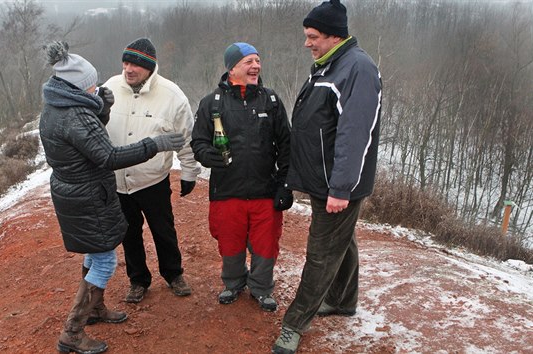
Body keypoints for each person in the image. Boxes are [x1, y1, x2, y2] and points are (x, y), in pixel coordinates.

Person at [39, 41, 185, 354]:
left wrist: (99, 110)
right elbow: (107, 156)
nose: (96, 86)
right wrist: (155, 144)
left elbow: (86, 145)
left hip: (74, 192)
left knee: (95, 252)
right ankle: (72, 333)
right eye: (90, 84)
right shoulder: (75, 116)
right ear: (77, 86)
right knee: (105, 260)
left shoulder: (56, 106)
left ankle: (94, 309)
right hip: (89, 194)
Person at [271, 1, 382, 353]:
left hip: (338, 183)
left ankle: (294, 323)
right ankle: (344, 300)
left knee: (321, 253)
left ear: (334, 35)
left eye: (313, 36)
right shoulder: (329, 65)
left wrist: (341, 187)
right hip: (325, 179)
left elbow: (354, 133)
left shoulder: (358, 69)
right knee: (340, 240)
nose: (307, 43)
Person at [191, 42, 292, 312]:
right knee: (230, 240)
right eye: (249, 61)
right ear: (232, 67)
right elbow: (198, 141)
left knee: (265, 243)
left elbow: (286, 144)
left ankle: (261, 287)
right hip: (227, 189)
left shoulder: (271, 100)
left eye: (258, 60)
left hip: (264, 190)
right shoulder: (211, 102)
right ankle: (233, 283)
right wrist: (206, 155)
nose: (256, 66)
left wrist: (285, 183)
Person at [101, 38, 200, 303]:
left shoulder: (172, 96)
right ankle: (138, 280)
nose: (129, 69)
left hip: (152, 180)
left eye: (136, 64)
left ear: (150, 67)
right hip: (117, 181)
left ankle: (173, 273)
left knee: (163, 230)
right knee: (128, 233)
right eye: (126, 62)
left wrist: (189, 171)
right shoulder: (109, 88)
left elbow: (186, 138)